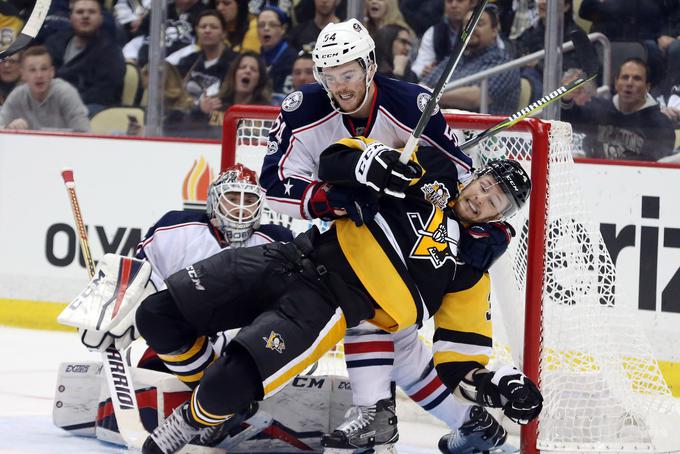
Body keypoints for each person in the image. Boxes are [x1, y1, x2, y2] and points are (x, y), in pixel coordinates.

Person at [131, 144, 541, 454]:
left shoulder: (469, 267)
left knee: (228, 384)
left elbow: (459, 357)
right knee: (157, 315)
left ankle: (190, 419)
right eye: (484, 186)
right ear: (472, 178)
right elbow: (336, 159)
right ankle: (215, 404)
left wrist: (491, 383)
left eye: (495, 202)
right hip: (289, 256)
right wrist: (373, 165)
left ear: (498, 217)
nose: (481, 199)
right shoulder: (421, 176)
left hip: (326, 304)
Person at [260, 18, 512, 454]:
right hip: (343, 235)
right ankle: (470, 423)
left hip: (408, 241)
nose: (340, 85)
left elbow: (458, 179)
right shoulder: (301, 109)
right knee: (398, 341)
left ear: (370, 65)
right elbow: (273, 185)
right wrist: (332, 198)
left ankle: (375, 412)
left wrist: (424, 185)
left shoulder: (411, 104)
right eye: (330, 75)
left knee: (368, 311)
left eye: (349, 73)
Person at [561, 58, 675, 161]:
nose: (629, 83)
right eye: (625, 77)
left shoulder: (660, 124)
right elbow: (567, 119)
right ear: (616, 83)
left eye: (637, 78)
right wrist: (566, 98)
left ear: (647, 87)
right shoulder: (599, 109)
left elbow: (659, 167)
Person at [424, 6, 520, 115]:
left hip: (485, 129)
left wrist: (431, 96)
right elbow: (425, 83)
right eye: (467, 24)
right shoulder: (457, 57)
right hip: (444, 124)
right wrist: (424, 93)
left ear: (494, 31)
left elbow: (476, 97)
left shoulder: (504, 62)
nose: (471, 29)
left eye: (479, 24)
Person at [45, 0, 125, 115]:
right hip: (53, 106)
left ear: (100, 19)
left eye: (91, 12)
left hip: (91, 110)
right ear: (71, 18)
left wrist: (68, 102)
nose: (85, 16)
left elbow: (105, 93)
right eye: (80, 12)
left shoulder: (111, 52)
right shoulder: (54, 43)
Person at [0, 45, 90, 132]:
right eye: (32, 70)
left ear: (52, 72)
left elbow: (84, 131)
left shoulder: (66, 93)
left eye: (43, 69)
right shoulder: (17, 95)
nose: (39, 75)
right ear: (23, 74)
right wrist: (9, 129)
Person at [171, 10, 237, 100]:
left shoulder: (236, 62)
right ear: (197, 31)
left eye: (213, 27)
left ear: (224, 33)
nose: (207, 30)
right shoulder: (188, 61)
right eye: (203, 27)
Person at [411, 0, 474, 80]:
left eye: (460, 1)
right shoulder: (434, 31)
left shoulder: (478, 29)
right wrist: (424, 70)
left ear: (472, 3)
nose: (453, 5)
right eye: (449, 1)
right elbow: (421, 64)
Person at [256, 5, 297, 102]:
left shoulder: (293, 59)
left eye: (272, 25)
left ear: (283, 29)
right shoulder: (257, 59)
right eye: (261, 25)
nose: (266, 28)